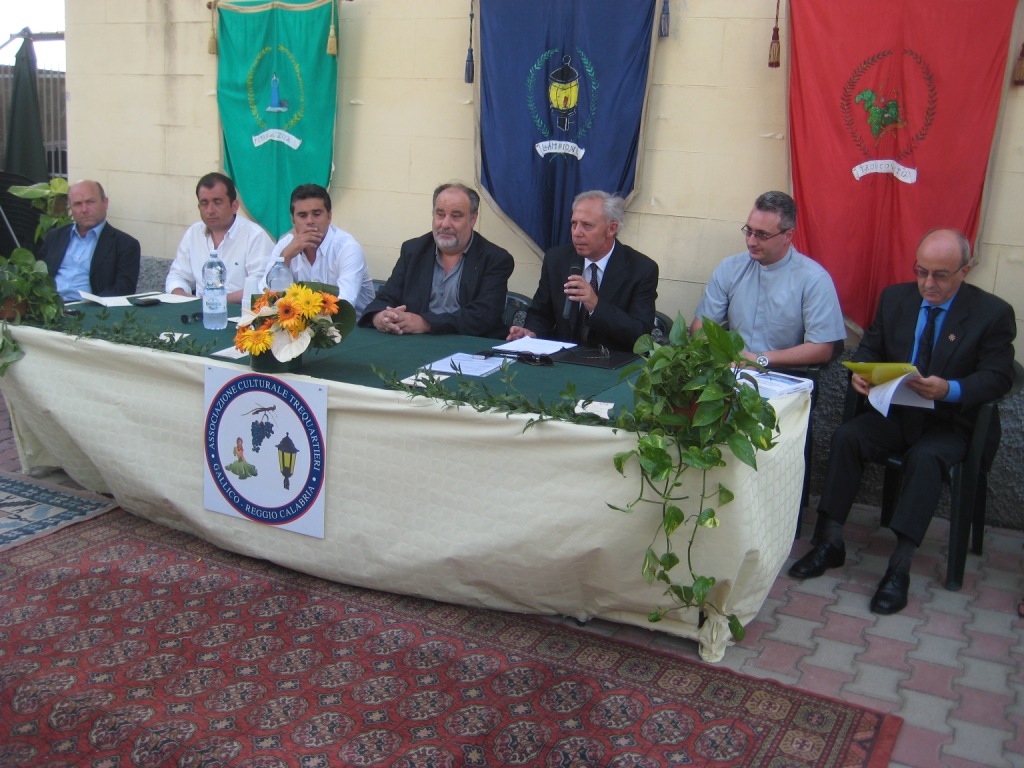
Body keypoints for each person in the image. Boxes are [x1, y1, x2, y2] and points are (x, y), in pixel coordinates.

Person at [789, 229, 1016, 615]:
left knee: (925, 458)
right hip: (898, 412)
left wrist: (949, 388)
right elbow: (870, 348)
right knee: (847, 437)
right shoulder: (896, 298)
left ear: (965, 271)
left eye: (940, 275)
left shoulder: (992, 313)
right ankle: (830, 541)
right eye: (921, 271)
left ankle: (899, 567)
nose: (928, 283)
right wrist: (860, 374)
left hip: (951, 422)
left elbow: (998, 377)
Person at [690, 191, 845, 368]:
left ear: (788, 236)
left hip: (783, 374)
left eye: (762, 235)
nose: (751, 242)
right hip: (730, 368)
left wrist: (759, 359)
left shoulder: (814, 279)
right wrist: (726, 356)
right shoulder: (730, 268)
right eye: (749, 231)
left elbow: (822, 348)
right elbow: (699, 328)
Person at [507, 191, 658, 351]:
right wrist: (531, 334)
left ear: (611, 229)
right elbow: (541, 314)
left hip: (612, 361)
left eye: (587, 225)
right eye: (574, 224)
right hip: (563, 359)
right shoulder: (556, 259)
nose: (576, 233)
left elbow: (641, 334)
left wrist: (596, 306)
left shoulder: (641, 269)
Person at [359, 182, 514, 337]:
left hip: (471, 345)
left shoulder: (495, 259)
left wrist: (426, 323)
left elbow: (484, 315)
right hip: (415, 343)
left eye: (456, 216)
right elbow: (386, 297)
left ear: (473, 219)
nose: (445, 224)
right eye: (440, 214)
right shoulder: (413, 250)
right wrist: (380, 317)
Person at [261, 184, 376, 319]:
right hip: (298, 323)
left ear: (329, 217)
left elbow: (345, 303)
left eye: (316, 214)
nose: (310, 221)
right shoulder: (285, 246)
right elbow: (263, 294)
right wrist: (285, 257)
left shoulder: (347, 248)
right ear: (293, 220)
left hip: (352, 325)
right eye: (302, 215)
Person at [165, 172, 273, 305]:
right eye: (204, 203)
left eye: (217, 202)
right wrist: (186, 298)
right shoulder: (194, 233)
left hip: (242, 312)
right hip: (199, 310)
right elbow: (177, 276)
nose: (210, 210)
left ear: (234, 206)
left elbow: (262, 287)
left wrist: (217, 301)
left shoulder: (254, 236)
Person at [39, 179, 140, 301]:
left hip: (88, 308)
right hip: (49, 305)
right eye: (77, 204)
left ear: (105, 203)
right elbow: (38, 276)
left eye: (90, 202)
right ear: (70, 208)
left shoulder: (125, 245)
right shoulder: (55, 237)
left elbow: (123, 289)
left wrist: (91, 305)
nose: (84, 209)